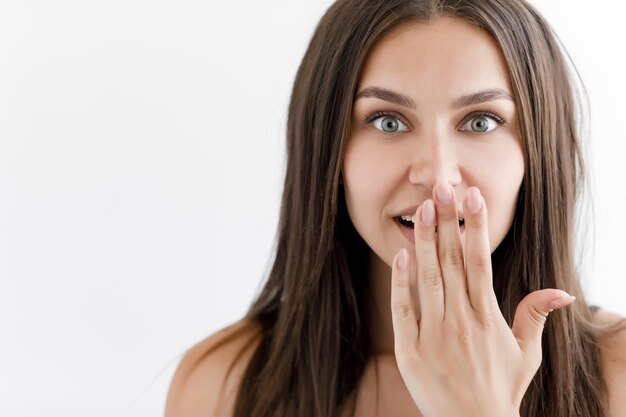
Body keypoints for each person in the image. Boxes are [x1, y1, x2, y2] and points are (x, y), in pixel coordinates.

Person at [164, 0, 626, 416]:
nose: (437, 175)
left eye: (481, 121)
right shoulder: (221, 386)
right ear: (329, 152)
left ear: (539, 154)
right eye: (387, 121)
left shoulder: (618, 375)